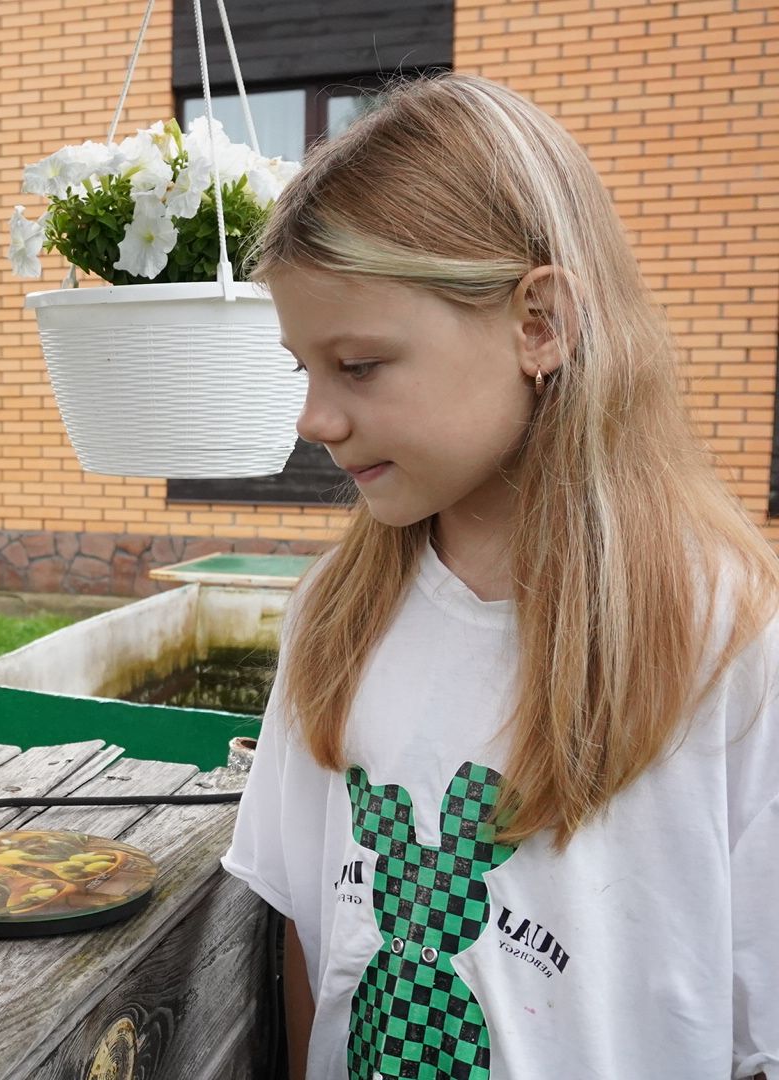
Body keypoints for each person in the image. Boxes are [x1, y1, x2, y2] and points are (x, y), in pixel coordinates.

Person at [222, 73, 778, 1080]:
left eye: (356, 365)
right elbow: (311, 932)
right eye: (299, 368)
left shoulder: (732, 642)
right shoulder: (331, 622)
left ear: (538, 324)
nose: (313, 419)